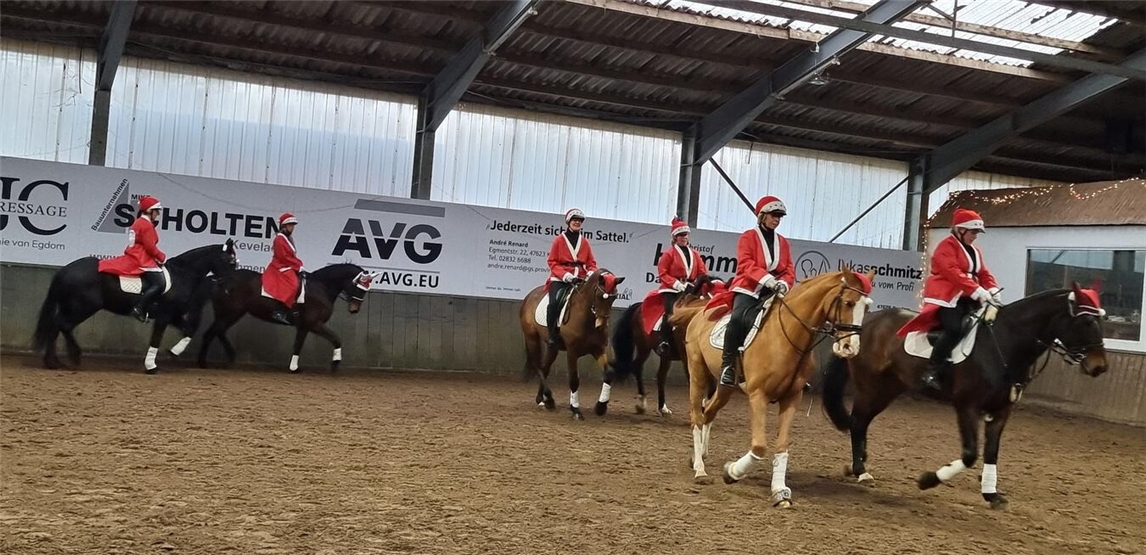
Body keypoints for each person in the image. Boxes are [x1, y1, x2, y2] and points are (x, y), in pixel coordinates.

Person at [912, 208, 1001, 390]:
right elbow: (953, 274)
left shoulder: (975, 251)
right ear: (960, 230)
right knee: (954, 329)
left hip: (969, 296)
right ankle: (932, 370)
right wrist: (976, 289)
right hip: (947, 297)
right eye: (973, 232)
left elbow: (983, 272)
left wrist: (992, 287)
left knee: (989, 325)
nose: (975, 236)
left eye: (977, 232)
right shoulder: (944, 248)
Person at [719, 196, 795, 388]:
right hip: (749, 288)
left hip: (774, 291)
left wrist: (784, 284)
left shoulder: (783, 243)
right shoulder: (747, 237)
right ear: (762, 216)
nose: (777, 219)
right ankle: (728, 365)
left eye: (780, 217)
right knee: (737, 319)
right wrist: (768, 279)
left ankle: (789, 370)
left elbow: (789, 269)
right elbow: (746, 264)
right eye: (774, 215)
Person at [98, 195, 168, 323]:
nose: (158, 214)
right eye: (156, 211)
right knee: (160, 283)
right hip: (141, 258)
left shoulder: (138, 222)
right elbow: (150, 247)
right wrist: (162, 257)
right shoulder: (146, 225)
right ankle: (139, 308)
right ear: (149, 211)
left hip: (134, 254)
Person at [655, 217, 708, 355]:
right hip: (671, 289)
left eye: (685, 234)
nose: (684, 237)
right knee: (670, 312)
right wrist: (677, 284)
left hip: (690, 288)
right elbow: (662, 272)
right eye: (680, 235)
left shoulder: (695, 254)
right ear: (675, 237)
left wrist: (698, 284)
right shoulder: (669, 254)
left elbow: (702, 272)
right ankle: (664, 341)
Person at [545, 208, 598, 346]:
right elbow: (552, 262)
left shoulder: (585, 242)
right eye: (574, 220)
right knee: (554, 303)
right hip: (561, 279)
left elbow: (591, 263)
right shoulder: (558, 240)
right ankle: (551, 334)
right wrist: (565, 275)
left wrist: (591, 272)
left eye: (579, 221)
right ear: (568, 222)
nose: (577, 223)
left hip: (580, 279)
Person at [261, 213, 307, 326]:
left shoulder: (288, 238)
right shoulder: (279, 239)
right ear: (283, 226)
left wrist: (299, 264)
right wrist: (297, 265)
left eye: (292, 226)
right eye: (290, 225)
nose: (292, 228)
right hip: (280, 266)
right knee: (293, 284)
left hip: (287, 264)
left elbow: (291, 256)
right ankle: (280, 310)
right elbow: (283, 257)